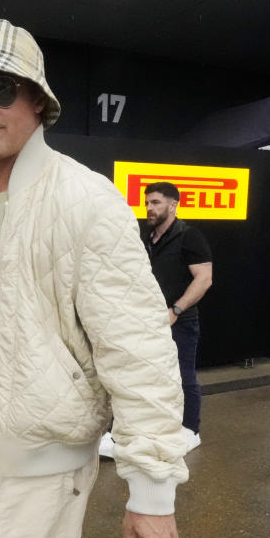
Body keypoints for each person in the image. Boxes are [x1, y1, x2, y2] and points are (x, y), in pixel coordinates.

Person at [0, 19, 190, 538]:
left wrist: (152, 494)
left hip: (50, 446)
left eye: (0, 88)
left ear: (38, 100)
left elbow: (141, 347)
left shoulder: (85, 199)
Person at [100, 182, 213, 457]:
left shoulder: (190, 237)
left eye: (156, 202)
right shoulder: (145, 237)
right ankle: (123, 434)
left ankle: (190, 430)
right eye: (147, 202)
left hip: (180, 322)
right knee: (135, 377)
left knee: (184, 376)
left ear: (173, 205)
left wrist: (175, 311)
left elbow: (204, 279)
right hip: (143, 321)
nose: (149, 208)